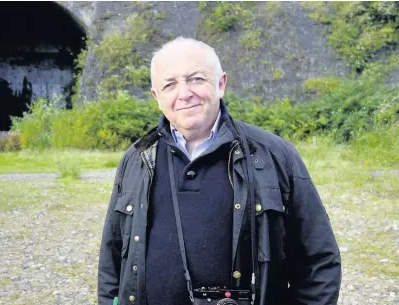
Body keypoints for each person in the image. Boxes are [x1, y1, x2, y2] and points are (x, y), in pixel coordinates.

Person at [97, 37, 341, 305]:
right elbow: (112, 264)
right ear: (157, 97)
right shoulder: (136, 158)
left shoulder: (275, 155)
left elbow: (319, 261)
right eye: (170, 84)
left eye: (196, 79)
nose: (184, 93)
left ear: (221, 84)